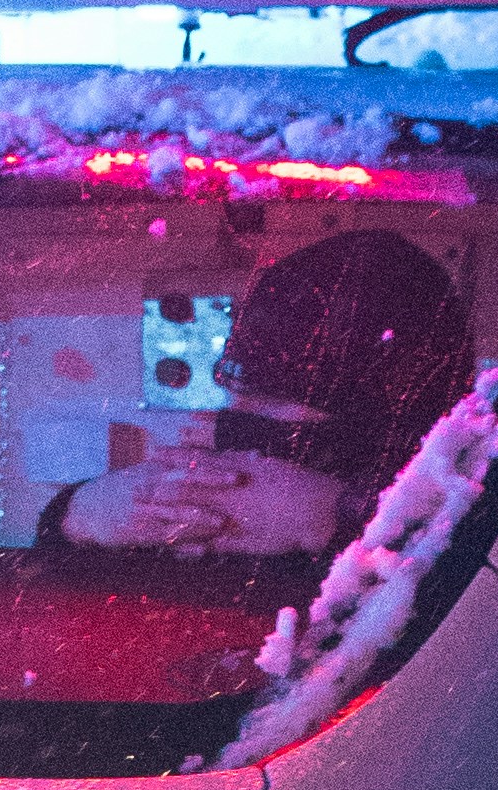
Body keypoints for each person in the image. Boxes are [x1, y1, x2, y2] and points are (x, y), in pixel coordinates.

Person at [48, 221, 473, 558]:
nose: (225, 427)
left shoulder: (472, 527)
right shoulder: (192, 513)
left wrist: (338, 518)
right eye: (234, 403)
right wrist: (82, 514)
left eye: (271, 406)